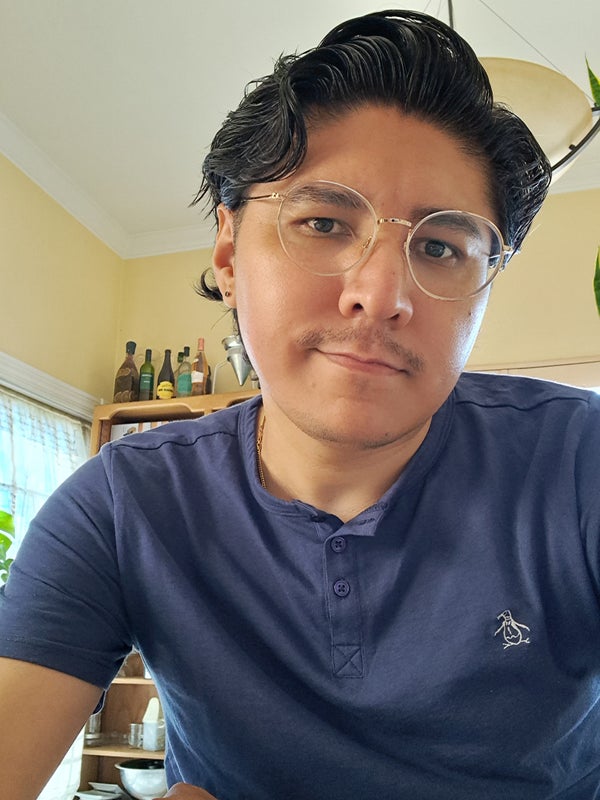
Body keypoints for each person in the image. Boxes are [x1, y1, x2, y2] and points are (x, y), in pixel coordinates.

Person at [1, 8, 599, 800]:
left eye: (440, 246)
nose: (380, 296)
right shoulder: (121, 506)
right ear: (227, 253)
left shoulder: (579, 461)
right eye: (323, 222)